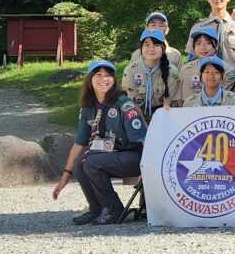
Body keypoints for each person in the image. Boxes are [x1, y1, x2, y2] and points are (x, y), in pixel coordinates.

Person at [52, 59, 146, 225]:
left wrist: (147, 169)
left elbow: (144, 140)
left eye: (108, 75)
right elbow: (79, 143)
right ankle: (96, 209)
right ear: (90, 80)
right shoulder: (88, 108)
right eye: (99, 75)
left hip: (135, 157)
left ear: (114, 80)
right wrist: (66, 175)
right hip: (110, 157)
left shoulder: (124, 104)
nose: (104, 79)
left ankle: (114, 209)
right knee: (80, 163)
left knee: (92, 162)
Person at [121, 27, 179, 118]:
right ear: (141, 48)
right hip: (135, 112)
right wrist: (145, 125)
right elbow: (131, 102)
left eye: (156, 45)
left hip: (162, 113)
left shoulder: (172, 71)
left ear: (163, 48)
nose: (151, 49)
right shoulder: (130, 70)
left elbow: (167, 104)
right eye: (146, 45)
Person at [176, 26, 235, 106]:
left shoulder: (228, 71)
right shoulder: (186, 70)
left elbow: (223, 99)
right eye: (198, 43)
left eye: (208, 43)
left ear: (216, 46)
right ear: (193, 47)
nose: (203, 48)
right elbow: (185, 100)